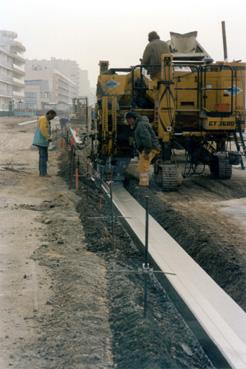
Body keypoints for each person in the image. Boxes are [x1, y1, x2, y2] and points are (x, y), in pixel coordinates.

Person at [125, 111, 160, 186]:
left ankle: (143, 184)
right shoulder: (139, 124)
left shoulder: (140, 126)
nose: (128, 123)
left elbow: (147, 139)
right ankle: (145, 182)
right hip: (149, 148)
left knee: (143, 166)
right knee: (142, 165)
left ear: (132, 119)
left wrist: (147, 152)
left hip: (150, 148)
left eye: (128, 120)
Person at [32, 110, 57, 176]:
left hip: (43, 141)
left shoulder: (46, 120)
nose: (53, 118)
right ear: (49, 114)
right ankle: (43, 173)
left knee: (43, 157)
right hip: (41, 141)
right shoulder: (43, 119)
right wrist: (48, 138)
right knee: (43, 157)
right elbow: (43, 130)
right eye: (53, 116)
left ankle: (42, 172)